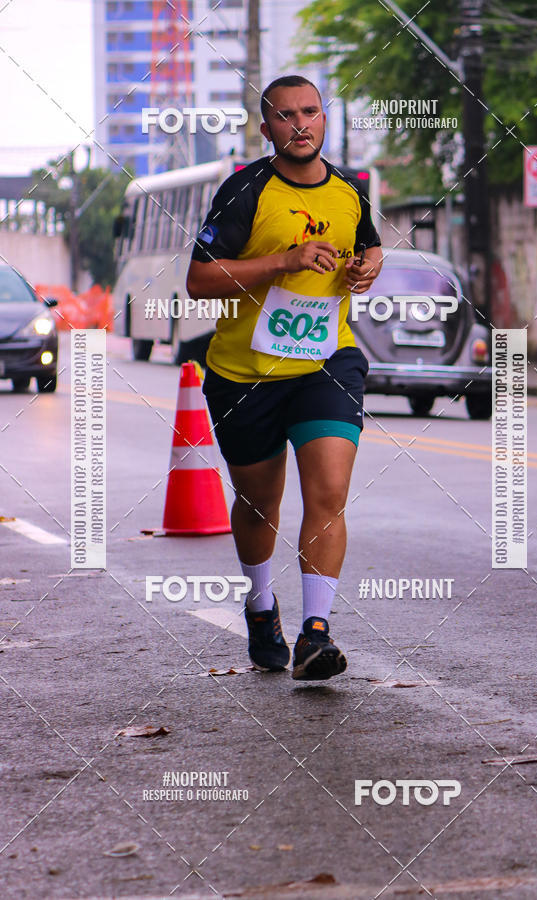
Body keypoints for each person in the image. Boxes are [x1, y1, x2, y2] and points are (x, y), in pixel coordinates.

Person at [186, 74, 383, 681]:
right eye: (285, 115)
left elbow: (369, 245)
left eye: (310, 112)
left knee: (328, 492)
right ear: (266, 127)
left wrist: (370, 265)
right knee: (258, 505)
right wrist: (283, 261)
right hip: (245, 373)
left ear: (325, 118)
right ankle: (260, 603)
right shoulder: (245, 190)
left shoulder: (349, 190)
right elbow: (199, 281)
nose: (300, 124)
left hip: (326, 363)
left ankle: (315, 633)